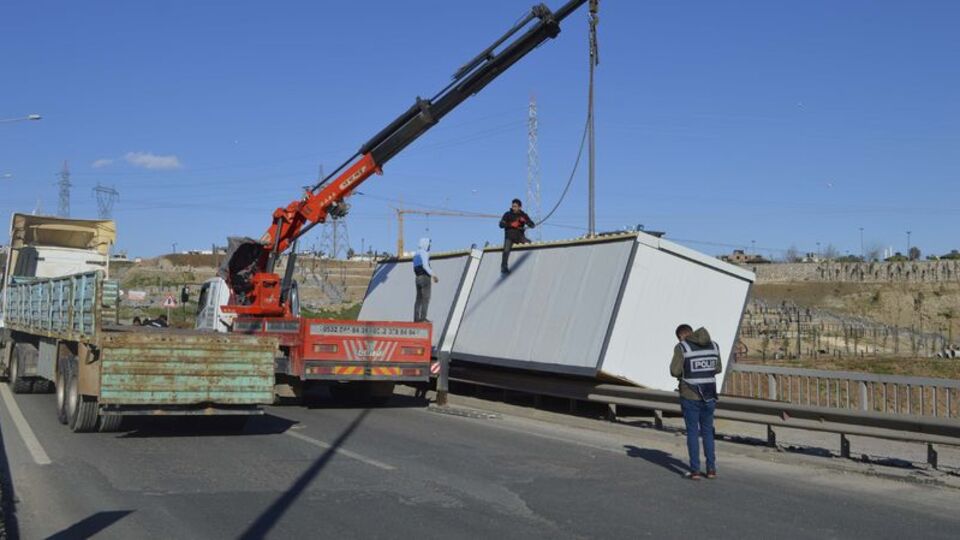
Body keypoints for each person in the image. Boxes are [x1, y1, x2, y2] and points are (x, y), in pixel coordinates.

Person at [670, 324, 723, 480]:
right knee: (708, 432)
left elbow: (674, 371)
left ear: (681, 336)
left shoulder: (682, 347)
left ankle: (695, 471)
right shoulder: (714, 345)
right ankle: (711, 469)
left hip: (690, 395)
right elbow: (718, 368)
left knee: (693, 432)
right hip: (710, 395)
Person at [499, 198, 535, 274]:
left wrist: (525, 221)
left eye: (515, 206)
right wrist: (510, 224)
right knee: (506, 250)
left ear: (520, 207)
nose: (513, 208)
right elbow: (501, 224)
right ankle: (504, 267)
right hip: (509, 236)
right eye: (513, 206)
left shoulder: (523, 215)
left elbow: (532, 225)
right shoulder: (507, 214)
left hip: (520, 236)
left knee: (530, 244)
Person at [412, 237, 438, 323]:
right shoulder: (424, 253)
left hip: (417, 278)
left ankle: (416, 319)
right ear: (425, 244)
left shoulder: (416, 254)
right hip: (425, 278)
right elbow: (425, 266)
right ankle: (423, 318)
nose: (429, 246)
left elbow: (415, 267)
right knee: (426, 298)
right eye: (429, 244)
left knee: (418, 299)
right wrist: (433, 275)